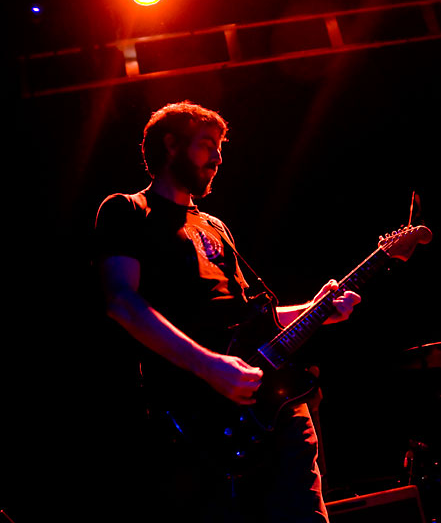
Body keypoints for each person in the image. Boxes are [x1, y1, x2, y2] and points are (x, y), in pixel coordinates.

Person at [94, 101, 361, 522]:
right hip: (194, 419)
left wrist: (315, 311)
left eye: (220, 147)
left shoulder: (215, 227)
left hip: (272, 403)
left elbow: (253, 321)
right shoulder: (127, 210)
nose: (218, 158)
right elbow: (121, 301)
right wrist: (210, 366)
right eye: (207, 145)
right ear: (171, 145)